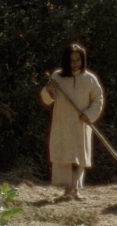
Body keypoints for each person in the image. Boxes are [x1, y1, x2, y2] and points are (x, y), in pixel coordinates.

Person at [41, 43, 104, 199]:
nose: (75, 63)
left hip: (81, 124)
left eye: (78, 60)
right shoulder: (57, 77)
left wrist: (90, 114)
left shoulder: (89, 78)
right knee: (64, 157)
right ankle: (67, 191)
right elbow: (47, 99)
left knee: (79, 157)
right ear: (66, 61)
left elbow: (98, 98)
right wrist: (48, 89)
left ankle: (75, 189)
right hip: (62, 124)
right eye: (72, 60)